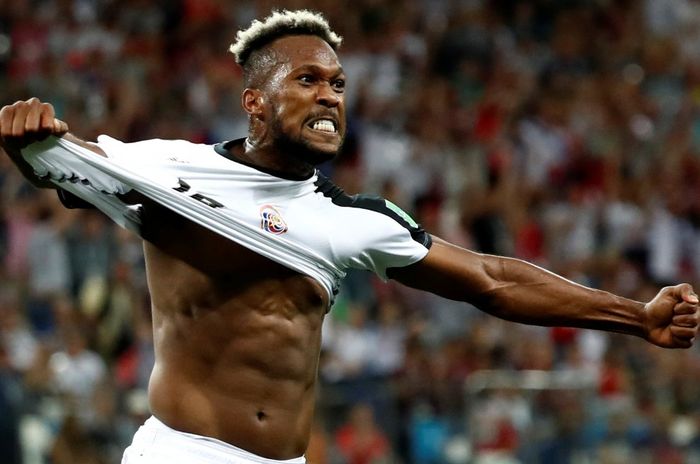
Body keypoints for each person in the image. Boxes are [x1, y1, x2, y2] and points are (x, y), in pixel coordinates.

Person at [0, 9, 698, 464]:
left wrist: (636, 317)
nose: (329, 96)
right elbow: (61, 165)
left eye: (337, 84)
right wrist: (27, 137)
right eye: (307, 80)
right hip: (182, 453)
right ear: (255, 103)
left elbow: (493, 281)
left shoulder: (352, 218)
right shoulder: (165, 168)